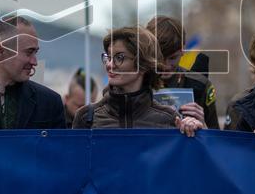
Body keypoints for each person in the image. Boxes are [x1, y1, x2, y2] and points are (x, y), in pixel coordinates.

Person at [72, 26, 205, 135]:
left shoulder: (169, 119)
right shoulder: (86, 117)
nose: (109, 64)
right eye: (109, 57)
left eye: (119, 57)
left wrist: (197, 132)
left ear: (143, 65)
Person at [146, 16, 220, 130]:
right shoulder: (136, 83)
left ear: (183, 50)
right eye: (159, 59)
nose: (165, 66)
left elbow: (216, 141)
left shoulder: (200, 85)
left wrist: (203, 126)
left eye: (172, 58)